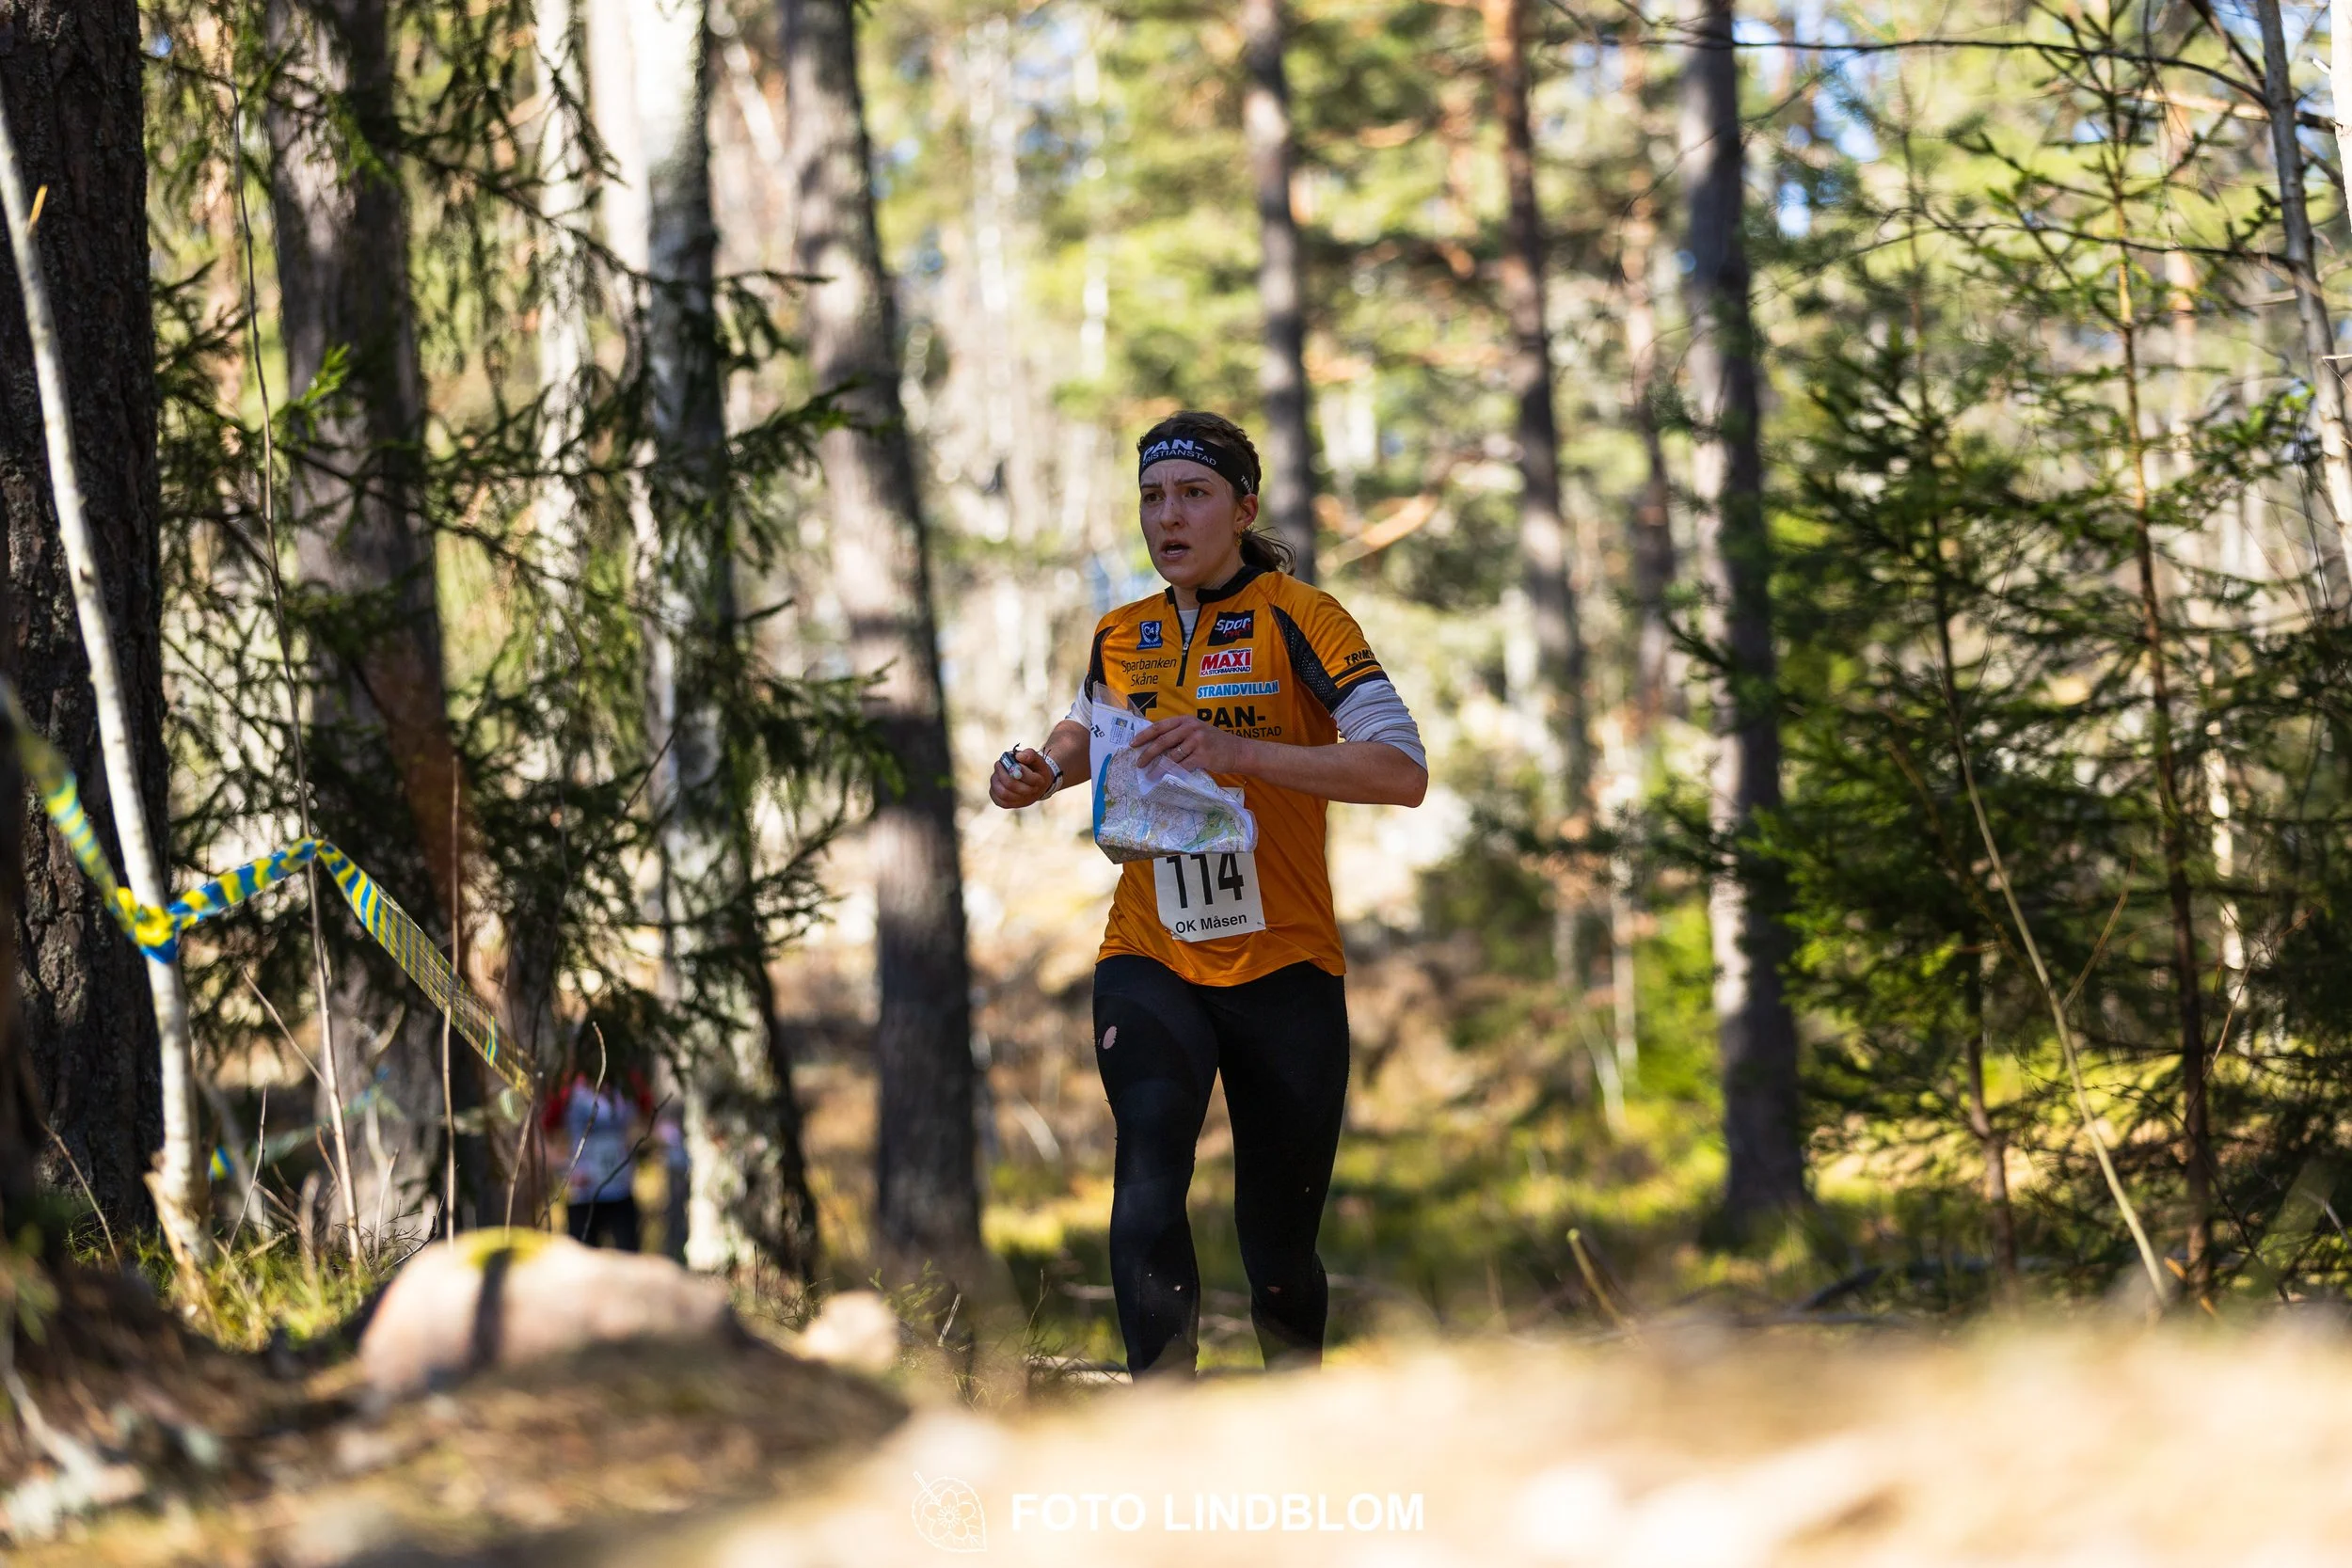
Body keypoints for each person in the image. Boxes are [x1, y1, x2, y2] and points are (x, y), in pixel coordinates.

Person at [988, 409, 1427, 1377]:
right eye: (1150, 497)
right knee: (1147, 1172)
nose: (1166, 516)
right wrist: (1038, 771)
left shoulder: (1303, 618)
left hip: (1284, 961)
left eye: (1191, 494)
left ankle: (1297, 1403)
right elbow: (1080, 731)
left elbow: (1401, 769)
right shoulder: (1122, 633)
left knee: (1277, 1242)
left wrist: (1243, 752)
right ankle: (1161, 1411)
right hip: (1151, 950)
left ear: (1243, 508)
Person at [541, 1066, 651, 1250]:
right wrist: (567, 1169)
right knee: (583, 1269)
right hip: (583, 1197)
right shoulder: (567, 1086)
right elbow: (538, 1135)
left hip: (621, 1193)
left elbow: (651, 1119)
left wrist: (638, 1141)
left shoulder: (630, 1082)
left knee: (630, 1264)